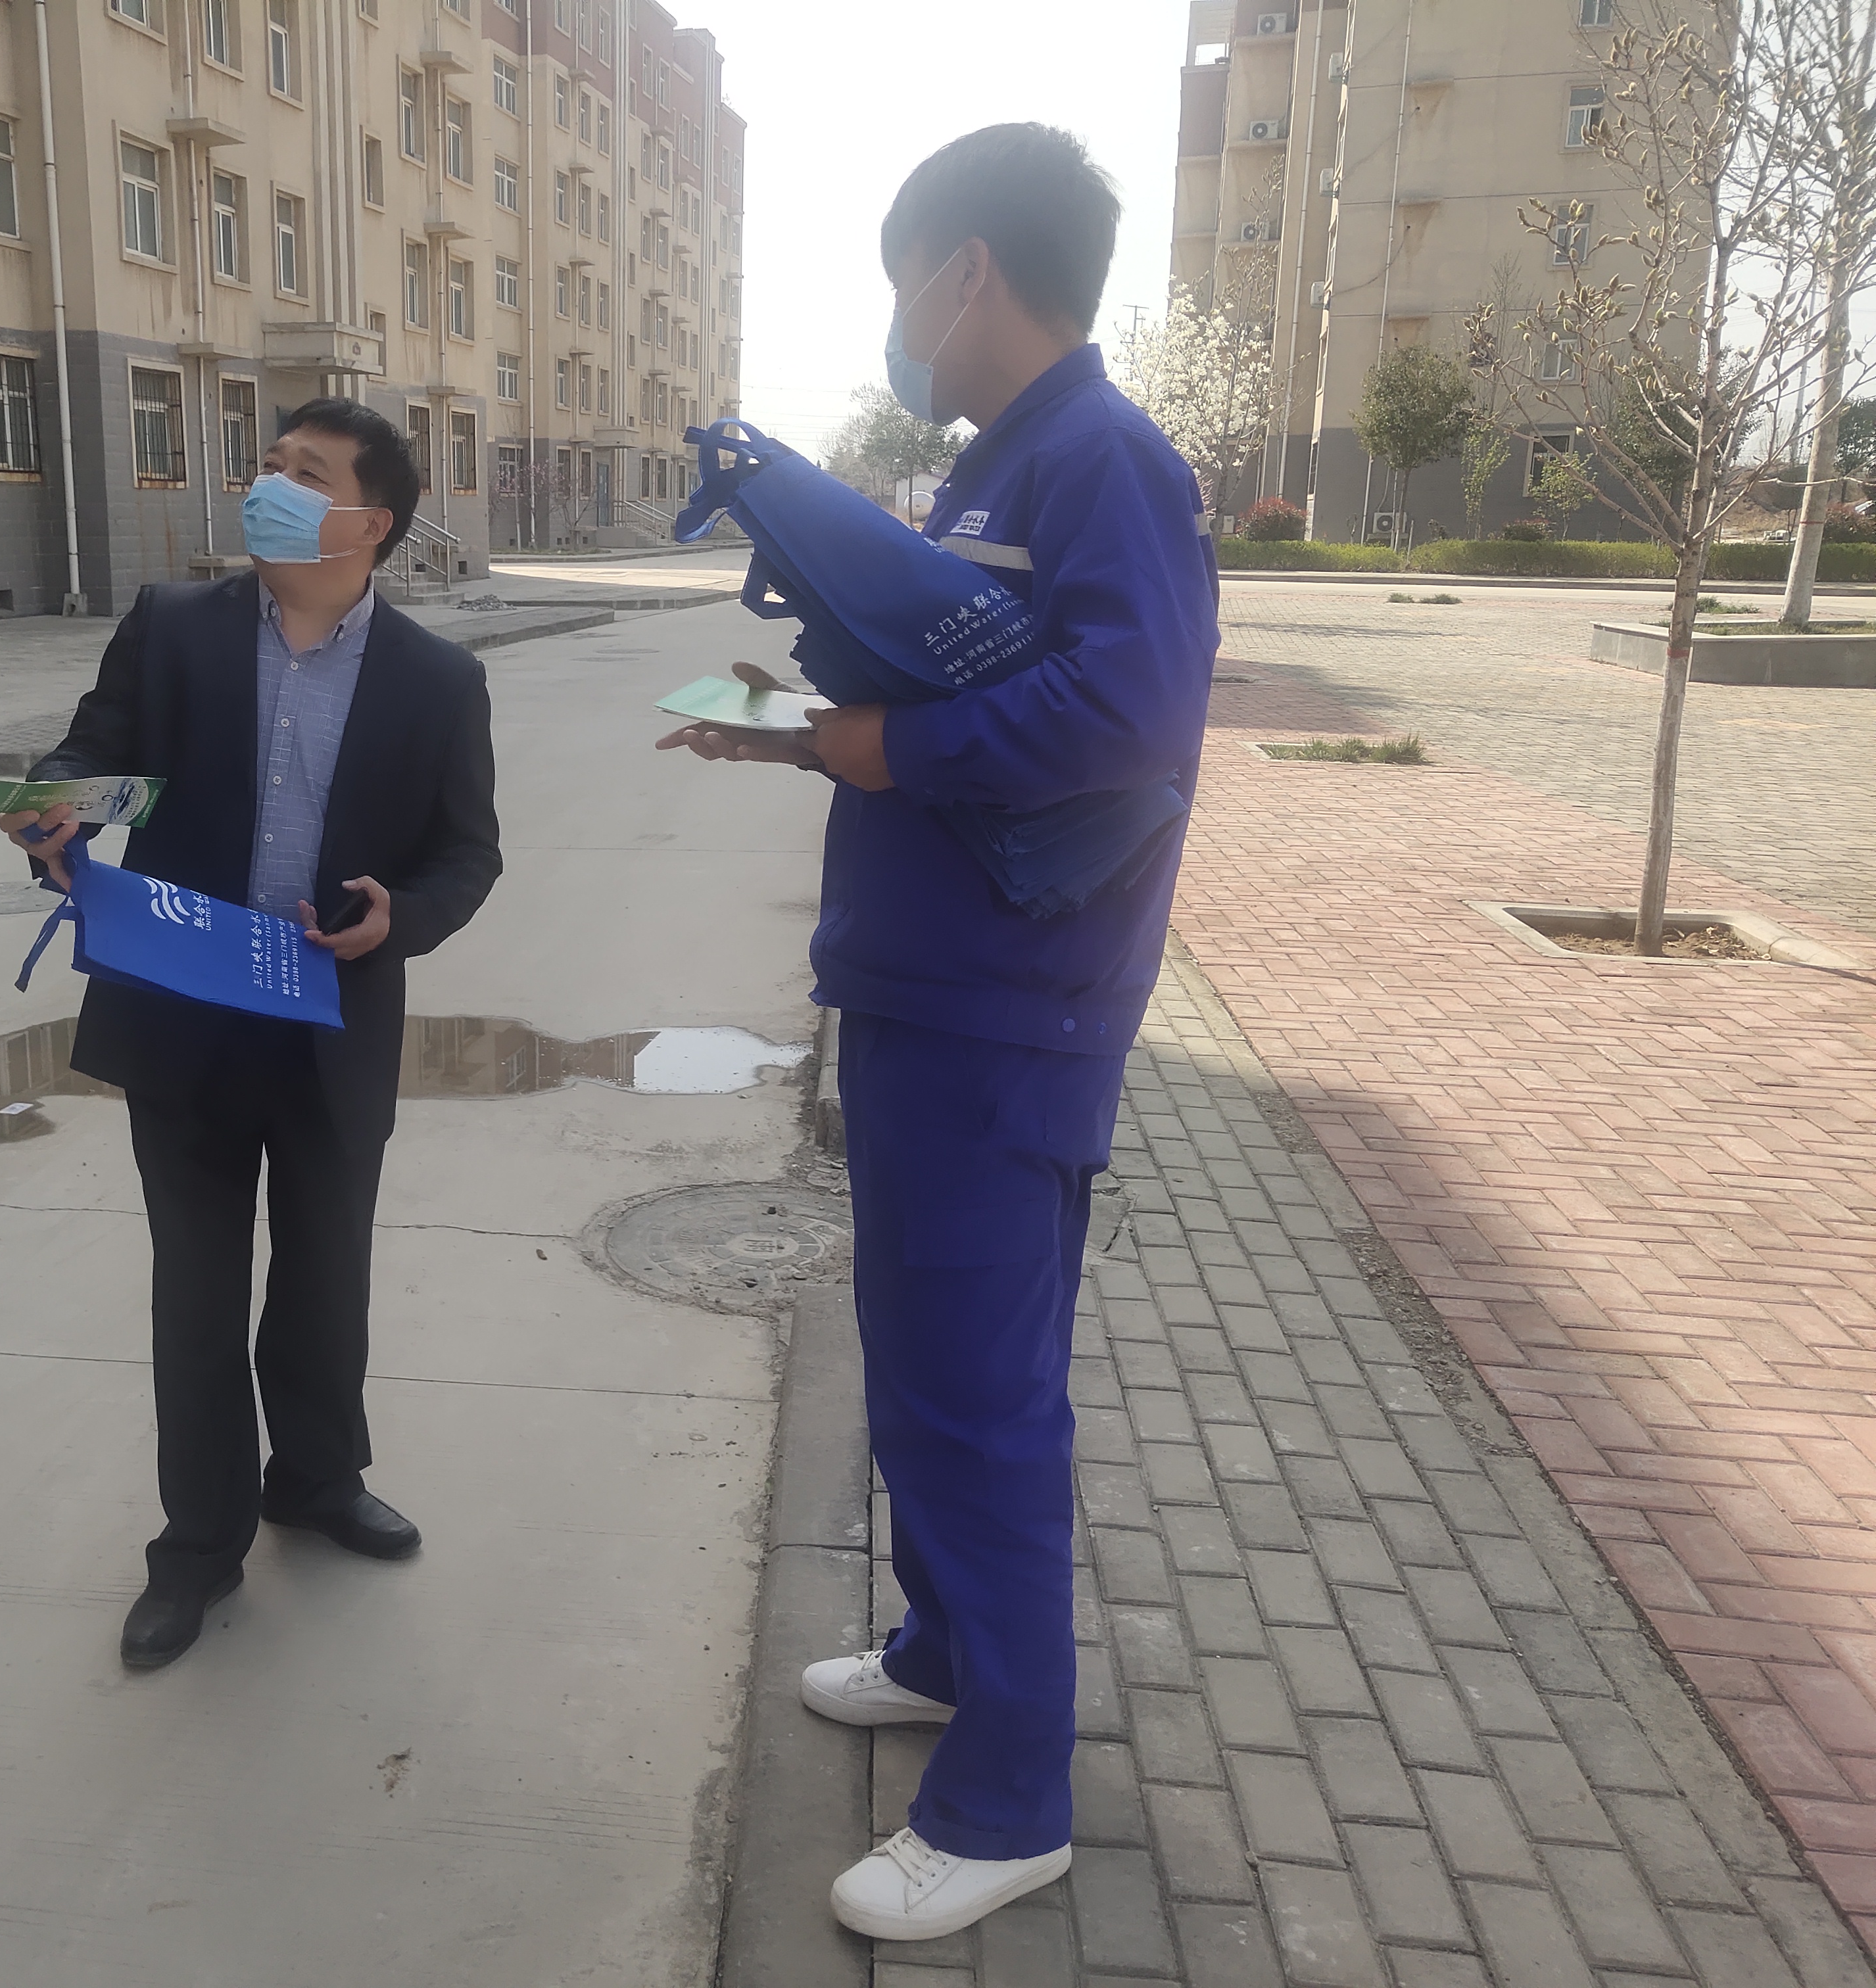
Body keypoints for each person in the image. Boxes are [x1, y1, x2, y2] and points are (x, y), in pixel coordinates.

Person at [660, 126, 1218, 1942]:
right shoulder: (1003, 460)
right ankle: (941, 1651)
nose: (900, 318)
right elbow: (960, 670)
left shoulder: (1103, 460)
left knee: (982, 1403)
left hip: (1010, 1015)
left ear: (967, 268)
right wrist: (802, 721)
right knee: (919, 1368)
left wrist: (870, 747)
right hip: (932, 993)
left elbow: (1128, 713)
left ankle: (1009, 1799)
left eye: (906, 276)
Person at [4, 398, 501, 1670]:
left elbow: (468, 856)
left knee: (327, 1278)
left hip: (331, 1014)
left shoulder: (439, 681)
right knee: (197, 1288)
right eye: (269, 466)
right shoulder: (175, 627)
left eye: (306, 474)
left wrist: (400, 919)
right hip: (185, 1004)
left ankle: (319, 1482)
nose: (268, 487)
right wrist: (56, 810)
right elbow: (99, 753)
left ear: (371, 522)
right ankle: (198, 1545)